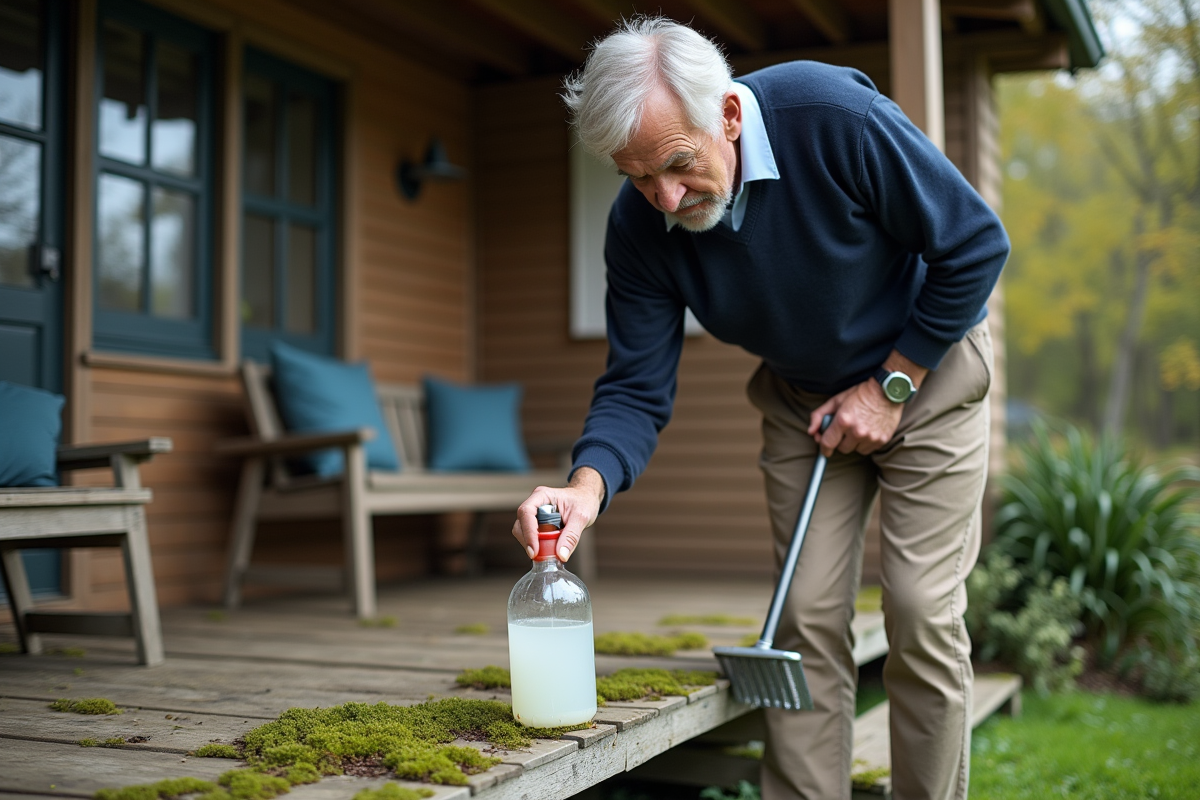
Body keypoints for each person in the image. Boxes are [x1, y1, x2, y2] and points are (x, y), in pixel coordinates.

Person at [511, 16, 1009, 800]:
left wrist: (890, 386)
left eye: (678, 165)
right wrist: (584, 488)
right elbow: (636, 386)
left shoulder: (833, 120)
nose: (666, 199)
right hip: (806, 403)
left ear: (731, 118)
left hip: (928, 374)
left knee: (917, 608)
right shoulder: (640, 229)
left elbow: (975, 242)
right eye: (639, 178)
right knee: (805, 619)